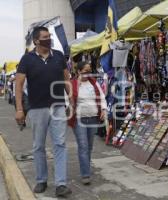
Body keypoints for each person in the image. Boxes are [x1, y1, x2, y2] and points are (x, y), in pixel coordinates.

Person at [15, 26, 72, 197]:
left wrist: (72, 100)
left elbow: (66, 78)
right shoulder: (27, 59)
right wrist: (19, 109)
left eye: (49, 36)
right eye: (45, 37)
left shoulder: (59, 56)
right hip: (37, 109)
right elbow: (18, 86)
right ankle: (41, 179)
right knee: (38, 146)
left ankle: (61, 184)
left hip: (58, 107)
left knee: (60, 144)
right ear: (36, 41)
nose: (49, 39)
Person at [68, 61, 107, 185]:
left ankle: (86, 167)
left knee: (89, 147)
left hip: (93, 118)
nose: (88, 74)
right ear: (78, 71)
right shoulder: (72, 84)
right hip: (79, 119)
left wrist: (104, 109)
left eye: (90, 71)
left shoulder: (94, 82)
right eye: (85, 71)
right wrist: (78, 85)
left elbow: (102, 97)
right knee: (83, 146)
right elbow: (68, 100)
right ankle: (85, 174)